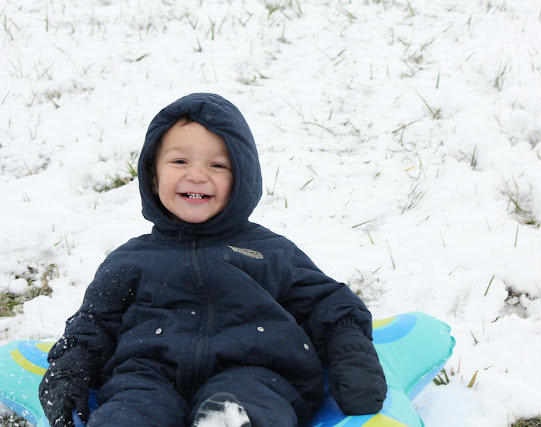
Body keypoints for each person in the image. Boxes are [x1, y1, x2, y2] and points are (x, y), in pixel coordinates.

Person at [38, 93, 387, 427]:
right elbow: (94, 323)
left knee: (251, 399)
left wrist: (353, 358)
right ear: (153, 177)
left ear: (242, 179)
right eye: (179, 161)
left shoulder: (270, 250)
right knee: (130, 409)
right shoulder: (130, 259)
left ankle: (228, 422)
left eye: (217, 165)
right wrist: (68, 371)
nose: (197, 175)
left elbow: (329, 304)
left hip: (255, 371)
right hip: (148, 375)